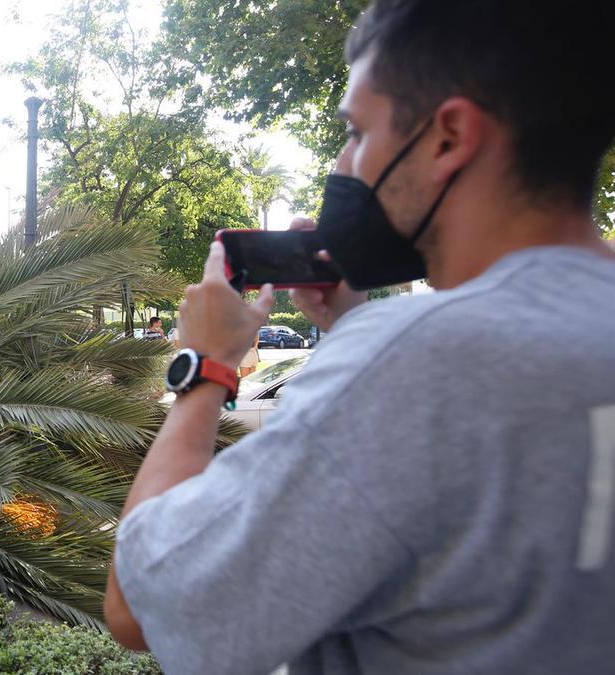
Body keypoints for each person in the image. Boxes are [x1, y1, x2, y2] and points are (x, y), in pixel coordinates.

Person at [104, 2, 615, 673]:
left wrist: (207, 366)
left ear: (449, 137)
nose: (346, 162)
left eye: (356, 130)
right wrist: (351, 326)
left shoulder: (415, 364)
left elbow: (142, 604)